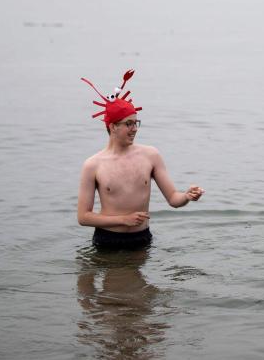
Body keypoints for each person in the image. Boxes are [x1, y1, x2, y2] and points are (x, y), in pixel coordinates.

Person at [77, 69, 204, 249]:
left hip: (142, 238)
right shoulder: (93, 165)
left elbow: (174, 199)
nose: (135, 129)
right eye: (128, 124)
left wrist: (187, 196)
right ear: (112, 126)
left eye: (136, 123)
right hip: (108, 240)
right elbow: (83, 217)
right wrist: (123, 220)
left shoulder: (150, 155)